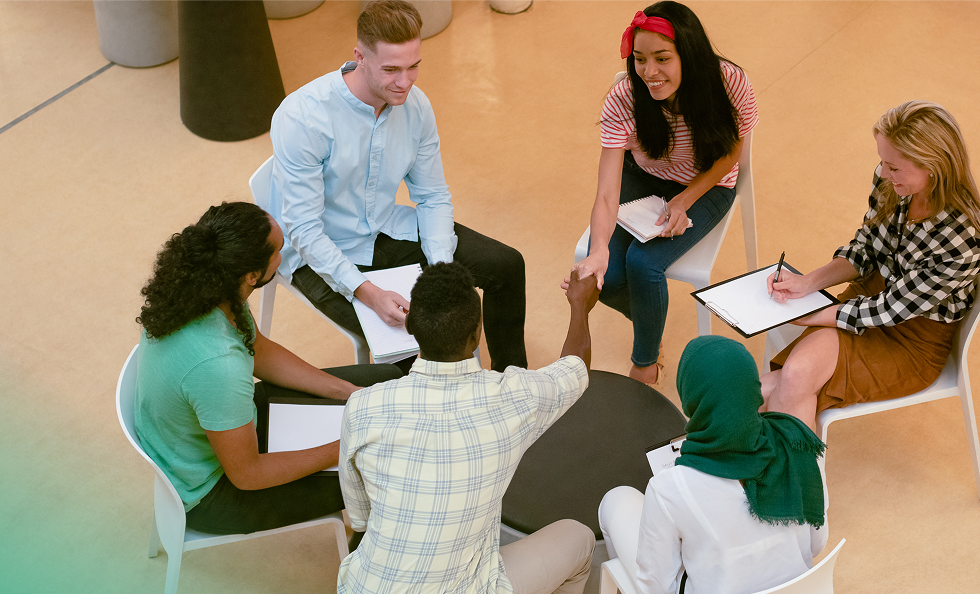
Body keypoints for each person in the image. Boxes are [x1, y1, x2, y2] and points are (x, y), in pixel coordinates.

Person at [337, 262, 600, 594]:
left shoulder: (364, 406)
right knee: (579, 542)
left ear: (414, 327)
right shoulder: (512, 396)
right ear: (477, 333)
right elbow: (577, 368)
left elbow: (358, 519)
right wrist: (580, 306)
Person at [267, 0, 527, 372]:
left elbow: (432, 195)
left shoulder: (416, 107)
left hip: (386, 227)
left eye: (413, 66)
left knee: (506, 265)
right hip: (322, 252)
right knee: (410, 341)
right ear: (359, 57)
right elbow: (305, 230)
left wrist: (439, 272)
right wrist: (369, 294)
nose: (405, 82)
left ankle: (510, 382)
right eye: (391, 69)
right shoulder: (303, 118)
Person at [134, 202, 401, 535]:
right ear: (252, 274)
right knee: (385, 465)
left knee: (386, 380)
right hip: (214, 493)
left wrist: (346, 392)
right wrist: (347, 443)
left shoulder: (209, 291)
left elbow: (258, 349)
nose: (284, 251)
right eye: (278, 249)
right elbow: (248, 475)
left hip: (220, 426)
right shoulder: (219, 367)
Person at [598, 335, 827, 594]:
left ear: (691, 402)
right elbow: (816, 542)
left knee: (616, 502)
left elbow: (656, 591)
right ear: (753, 388)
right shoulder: (798, 442)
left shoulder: (670, 486)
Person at [763, 101, 980, 430]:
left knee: (782, 383)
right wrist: (808, 283)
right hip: (870, 298)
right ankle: (783, 477)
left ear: (932, 166)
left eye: (894, 167)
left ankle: (757, 470)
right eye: (882, 161)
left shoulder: (963, 237)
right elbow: (866, 249)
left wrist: (809, 314)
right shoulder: (892, 181)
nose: (883, 173)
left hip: (913, 340)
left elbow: (892, 309)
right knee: (791, 378)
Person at [571, 1, 758, 385]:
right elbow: (607, 192)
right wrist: (599, 250)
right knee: (604, 277)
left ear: (687, 54)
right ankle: (650, 324)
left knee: (644, 263)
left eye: (662, 58)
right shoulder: (624, 97)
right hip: (645, 176)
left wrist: (685, 198)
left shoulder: (729, 81)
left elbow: (732, 151)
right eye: (640, 59)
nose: (649, 72)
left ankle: (645, 366)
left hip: (707, 184)